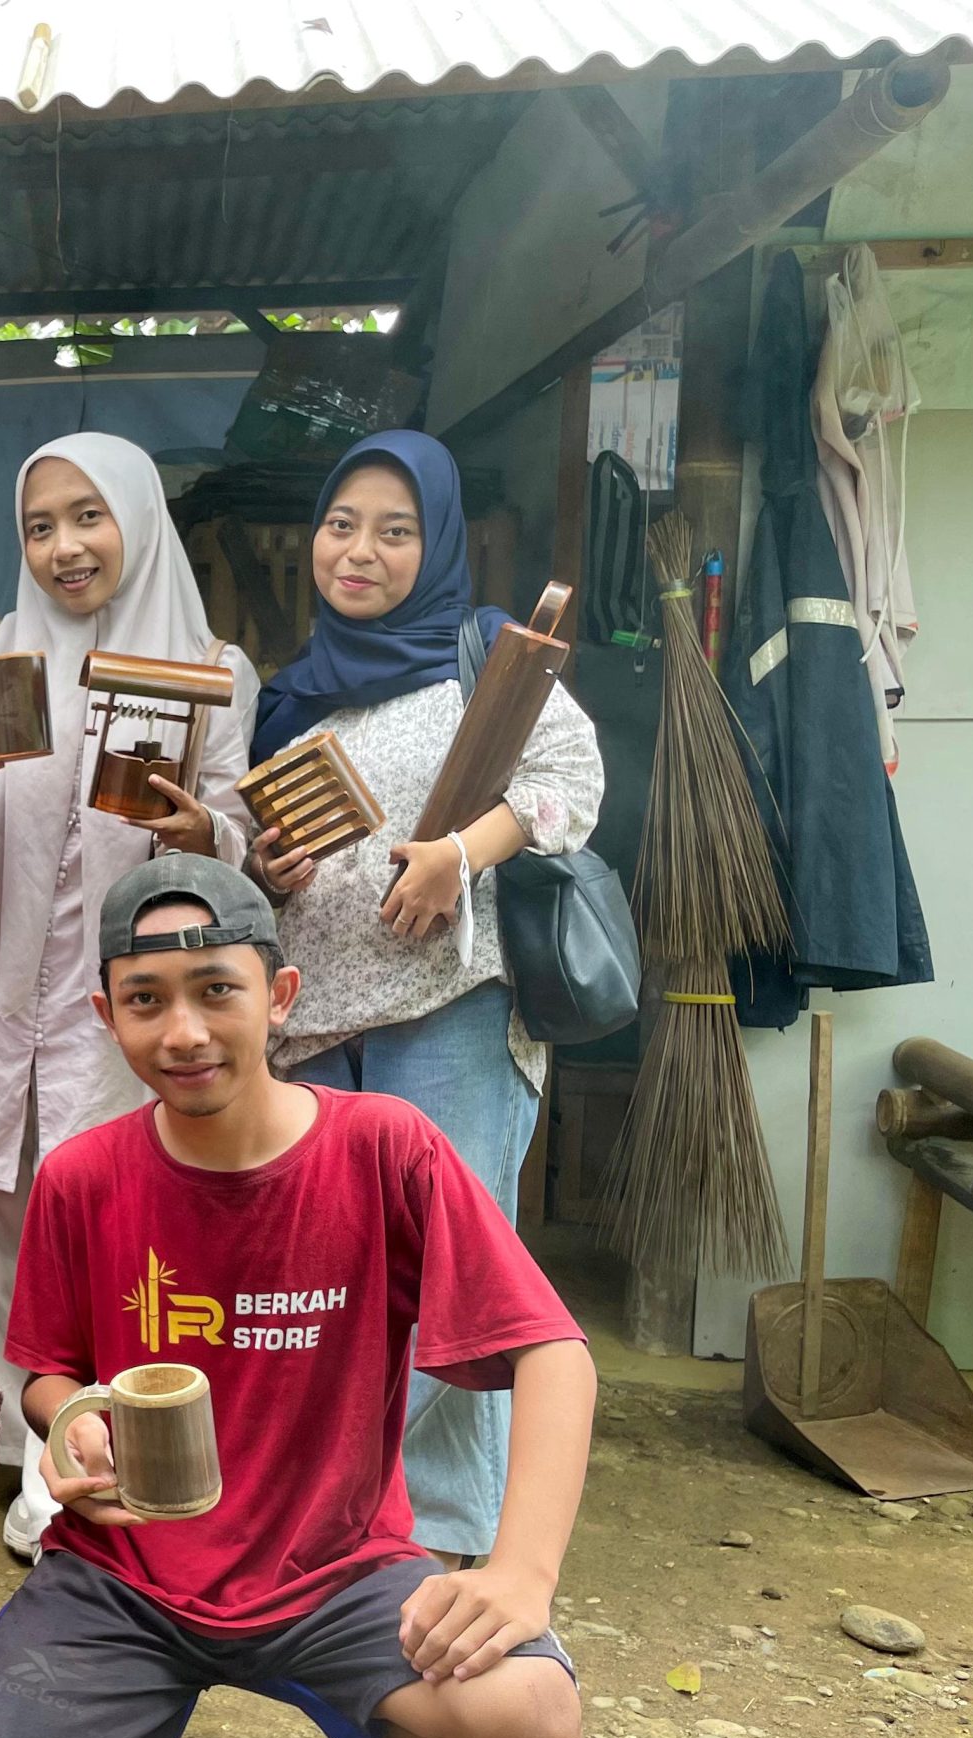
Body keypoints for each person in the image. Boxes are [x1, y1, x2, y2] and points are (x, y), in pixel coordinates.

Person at [0, 855, 593, 1738]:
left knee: (535, 1727)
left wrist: (521, 1572)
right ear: (106, 1016)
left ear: (280, 996)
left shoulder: (384, 1149)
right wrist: (73, 1427)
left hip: (335, 1569)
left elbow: (552, 1352)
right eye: (145, 1001)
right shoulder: (82, 1177)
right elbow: (50, 1374)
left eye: (216, 991)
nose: (183, 1032)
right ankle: (158, 1705)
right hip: (128, 1580)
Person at [249, 430, 603, 1567]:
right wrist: (267, 868)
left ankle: (400, 1539)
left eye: (394, 531)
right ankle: (396, 1538)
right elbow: (265, 856)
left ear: (438, 543)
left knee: (454, 1279)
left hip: (447, 1009)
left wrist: (459, 854)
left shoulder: (484, 654)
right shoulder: (290, 692)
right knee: (338, 1286)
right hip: (315, 1029)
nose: (359, 552)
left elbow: (573, 783)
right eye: (341, 525)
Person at [0, 433, 258, 1560]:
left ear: (139, 521)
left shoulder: (210, 668)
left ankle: (83, 1452)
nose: (64, 546)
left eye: (87, 516)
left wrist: (200, 835)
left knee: (104, 1217)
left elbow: (232, 833)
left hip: (114, 999)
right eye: (40, 525)